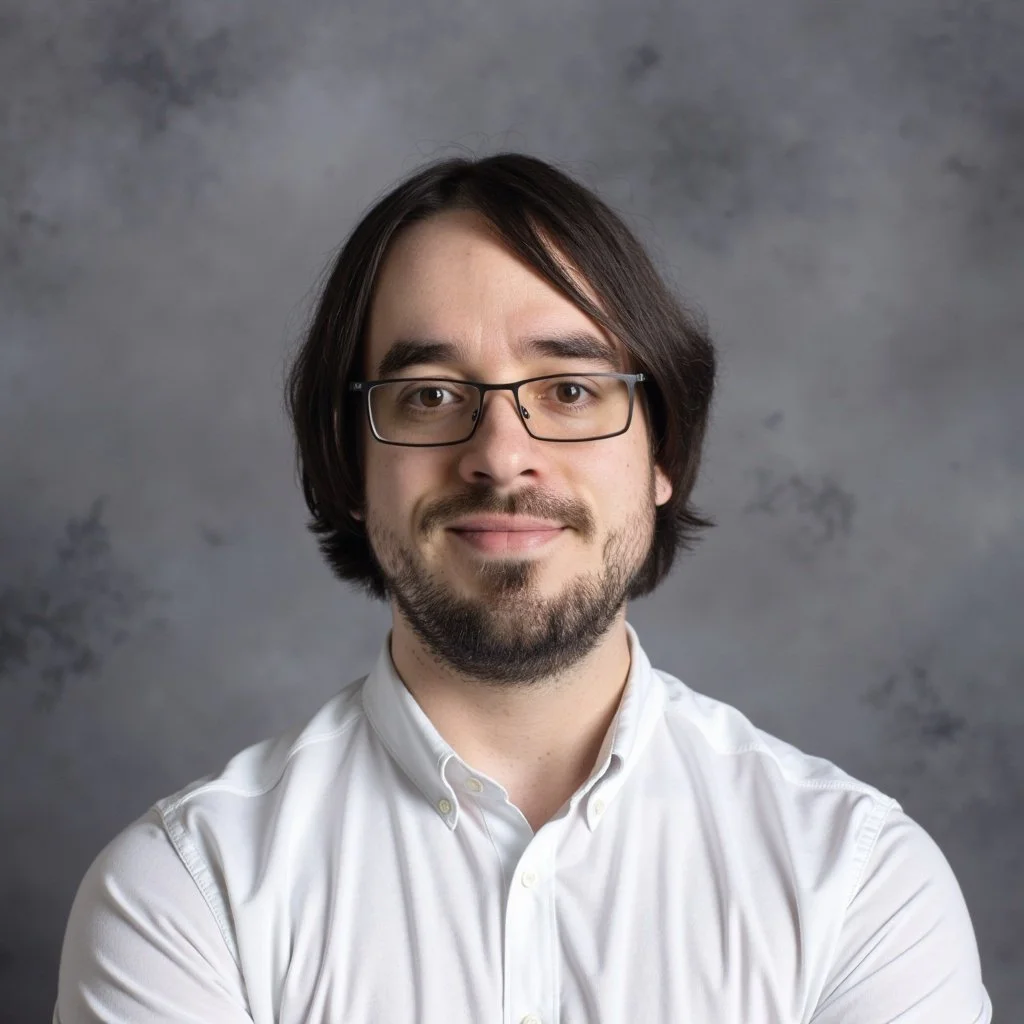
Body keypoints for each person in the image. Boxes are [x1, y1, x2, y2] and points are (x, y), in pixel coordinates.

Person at [54, 154, 992, 1023]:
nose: (502, 456)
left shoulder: (860, 883)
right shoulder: (185, 893)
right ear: (348, 465)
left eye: (571, 392)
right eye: (427, 397)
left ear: (663, 452)